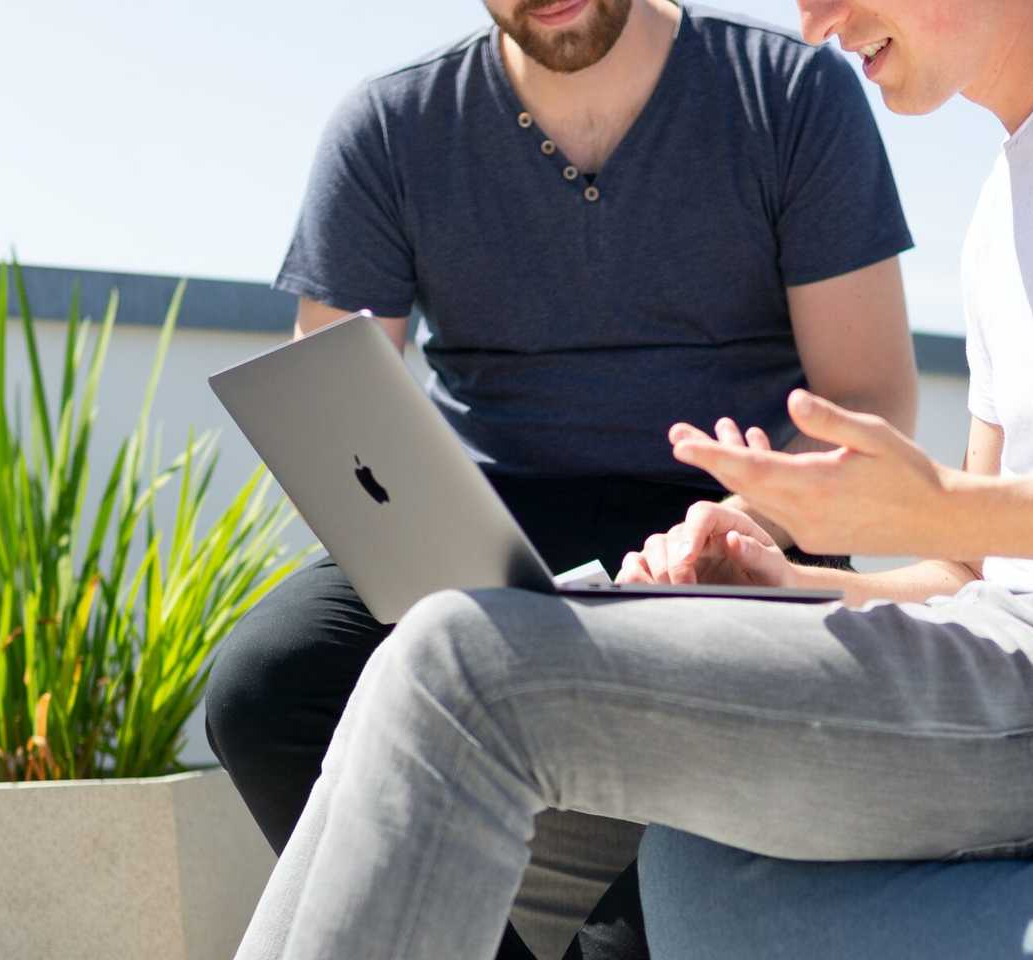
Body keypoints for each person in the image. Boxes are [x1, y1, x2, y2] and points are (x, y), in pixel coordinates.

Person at [233, 0, 1033, 955]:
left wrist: (947, 507)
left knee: (465, 674)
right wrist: (790, 581)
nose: (812, 24)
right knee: (419, 693)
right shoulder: (1009, 202)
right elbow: (975, 575)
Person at [204, 0, 918, 955]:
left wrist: (744, 518)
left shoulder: (791, 92)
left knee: (640, 932)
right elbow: (336, 423)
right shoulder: (389, 127)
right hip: (492, 527)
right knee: (268, 683)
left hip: (742, 522)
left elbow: (867, 399)